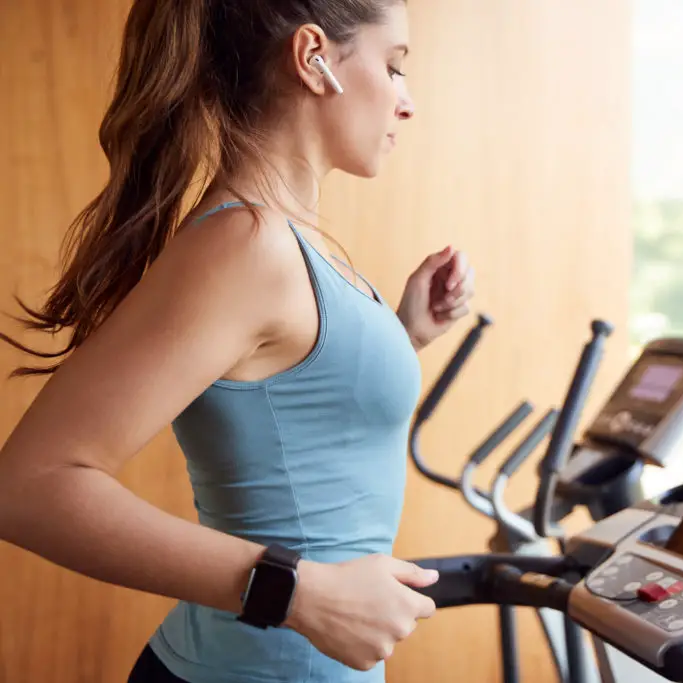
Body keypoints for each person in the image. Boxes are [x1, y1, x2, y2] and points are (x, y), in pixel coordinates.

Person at [0, 1, 475, 681]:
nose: (407, 103)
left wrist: (404, 332)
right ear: (315, 58)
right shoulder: (247, 244)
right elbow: (29, 486)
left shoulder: (286, 238)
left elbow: (290, 412)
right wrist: (300, 592)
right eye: (394, 66)